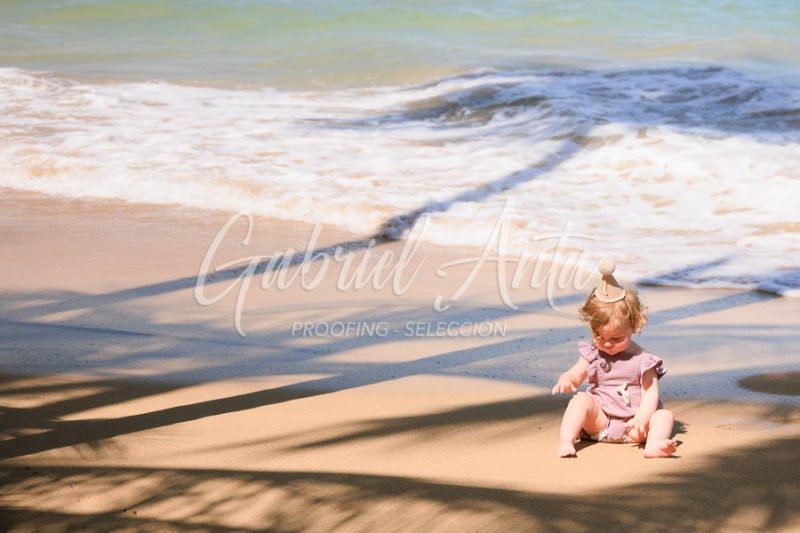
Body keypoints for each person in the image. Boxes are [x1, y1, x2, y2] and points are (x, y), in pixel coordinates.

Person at [552, 259, 679, 458]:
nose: (607, 344)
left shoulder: (643, 360)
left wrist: (641, 418)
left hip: (634, 429)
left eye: (616, 338)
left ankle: (653, 445)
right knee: (580, 400)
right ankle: (566, 441)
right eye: (599, 336)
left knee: (664, 415)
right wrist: (567, 379)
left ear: (634, 325)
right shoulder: (593, 353)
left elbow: (650, 395)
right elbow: (577, 375)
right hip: (598, 425)